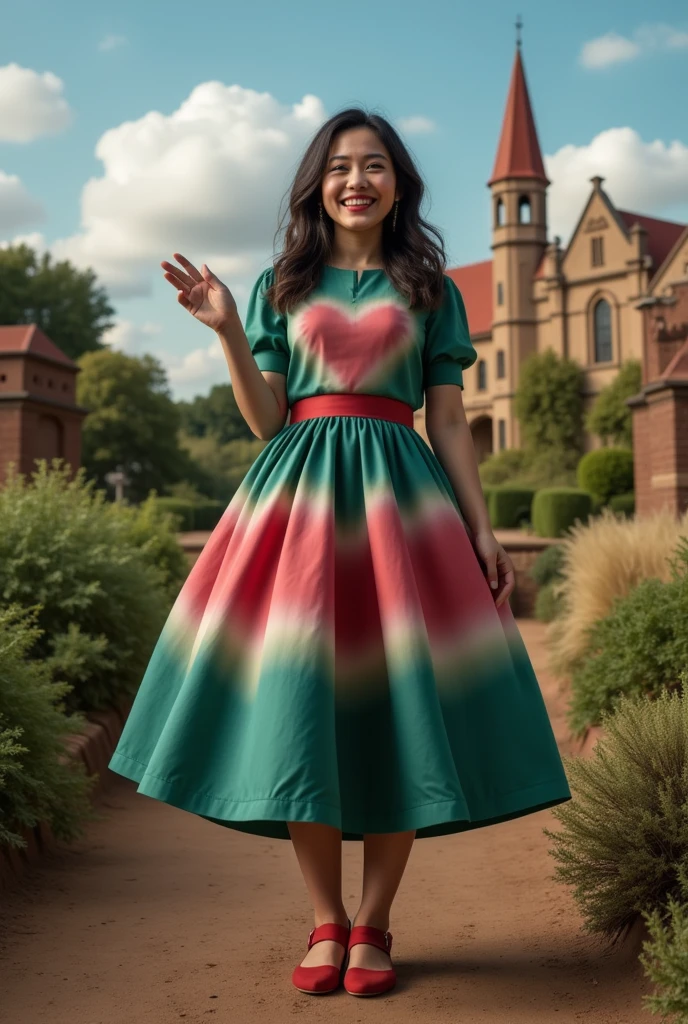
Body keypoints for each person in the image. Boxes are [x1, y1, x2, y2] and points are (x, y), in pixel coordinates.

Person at [109, 106, 571, 998]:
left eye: (375, 166)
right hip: (298, 508)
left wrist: (482, 528)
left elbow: (448, 417)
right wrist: (227, 334)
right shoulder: (285, 282)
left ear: (399, 183)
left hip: (405, 508)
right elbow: (266, 420)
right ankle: (326, 920)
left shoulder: (430, 288)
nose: (356, 180)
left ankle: (377, 922)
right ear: (318, 186)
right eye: (339, 168)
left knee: (401, 707)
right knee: (300, 707)